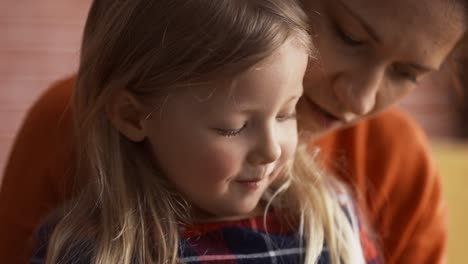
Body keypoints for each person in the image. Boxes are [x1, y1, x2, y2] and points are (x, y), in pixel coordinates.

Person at [1, 0, 466, 263]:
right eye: (350, 37)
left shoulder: (393, 171)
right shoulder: (69, 125)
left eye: (407, 73)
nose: (361, 99)